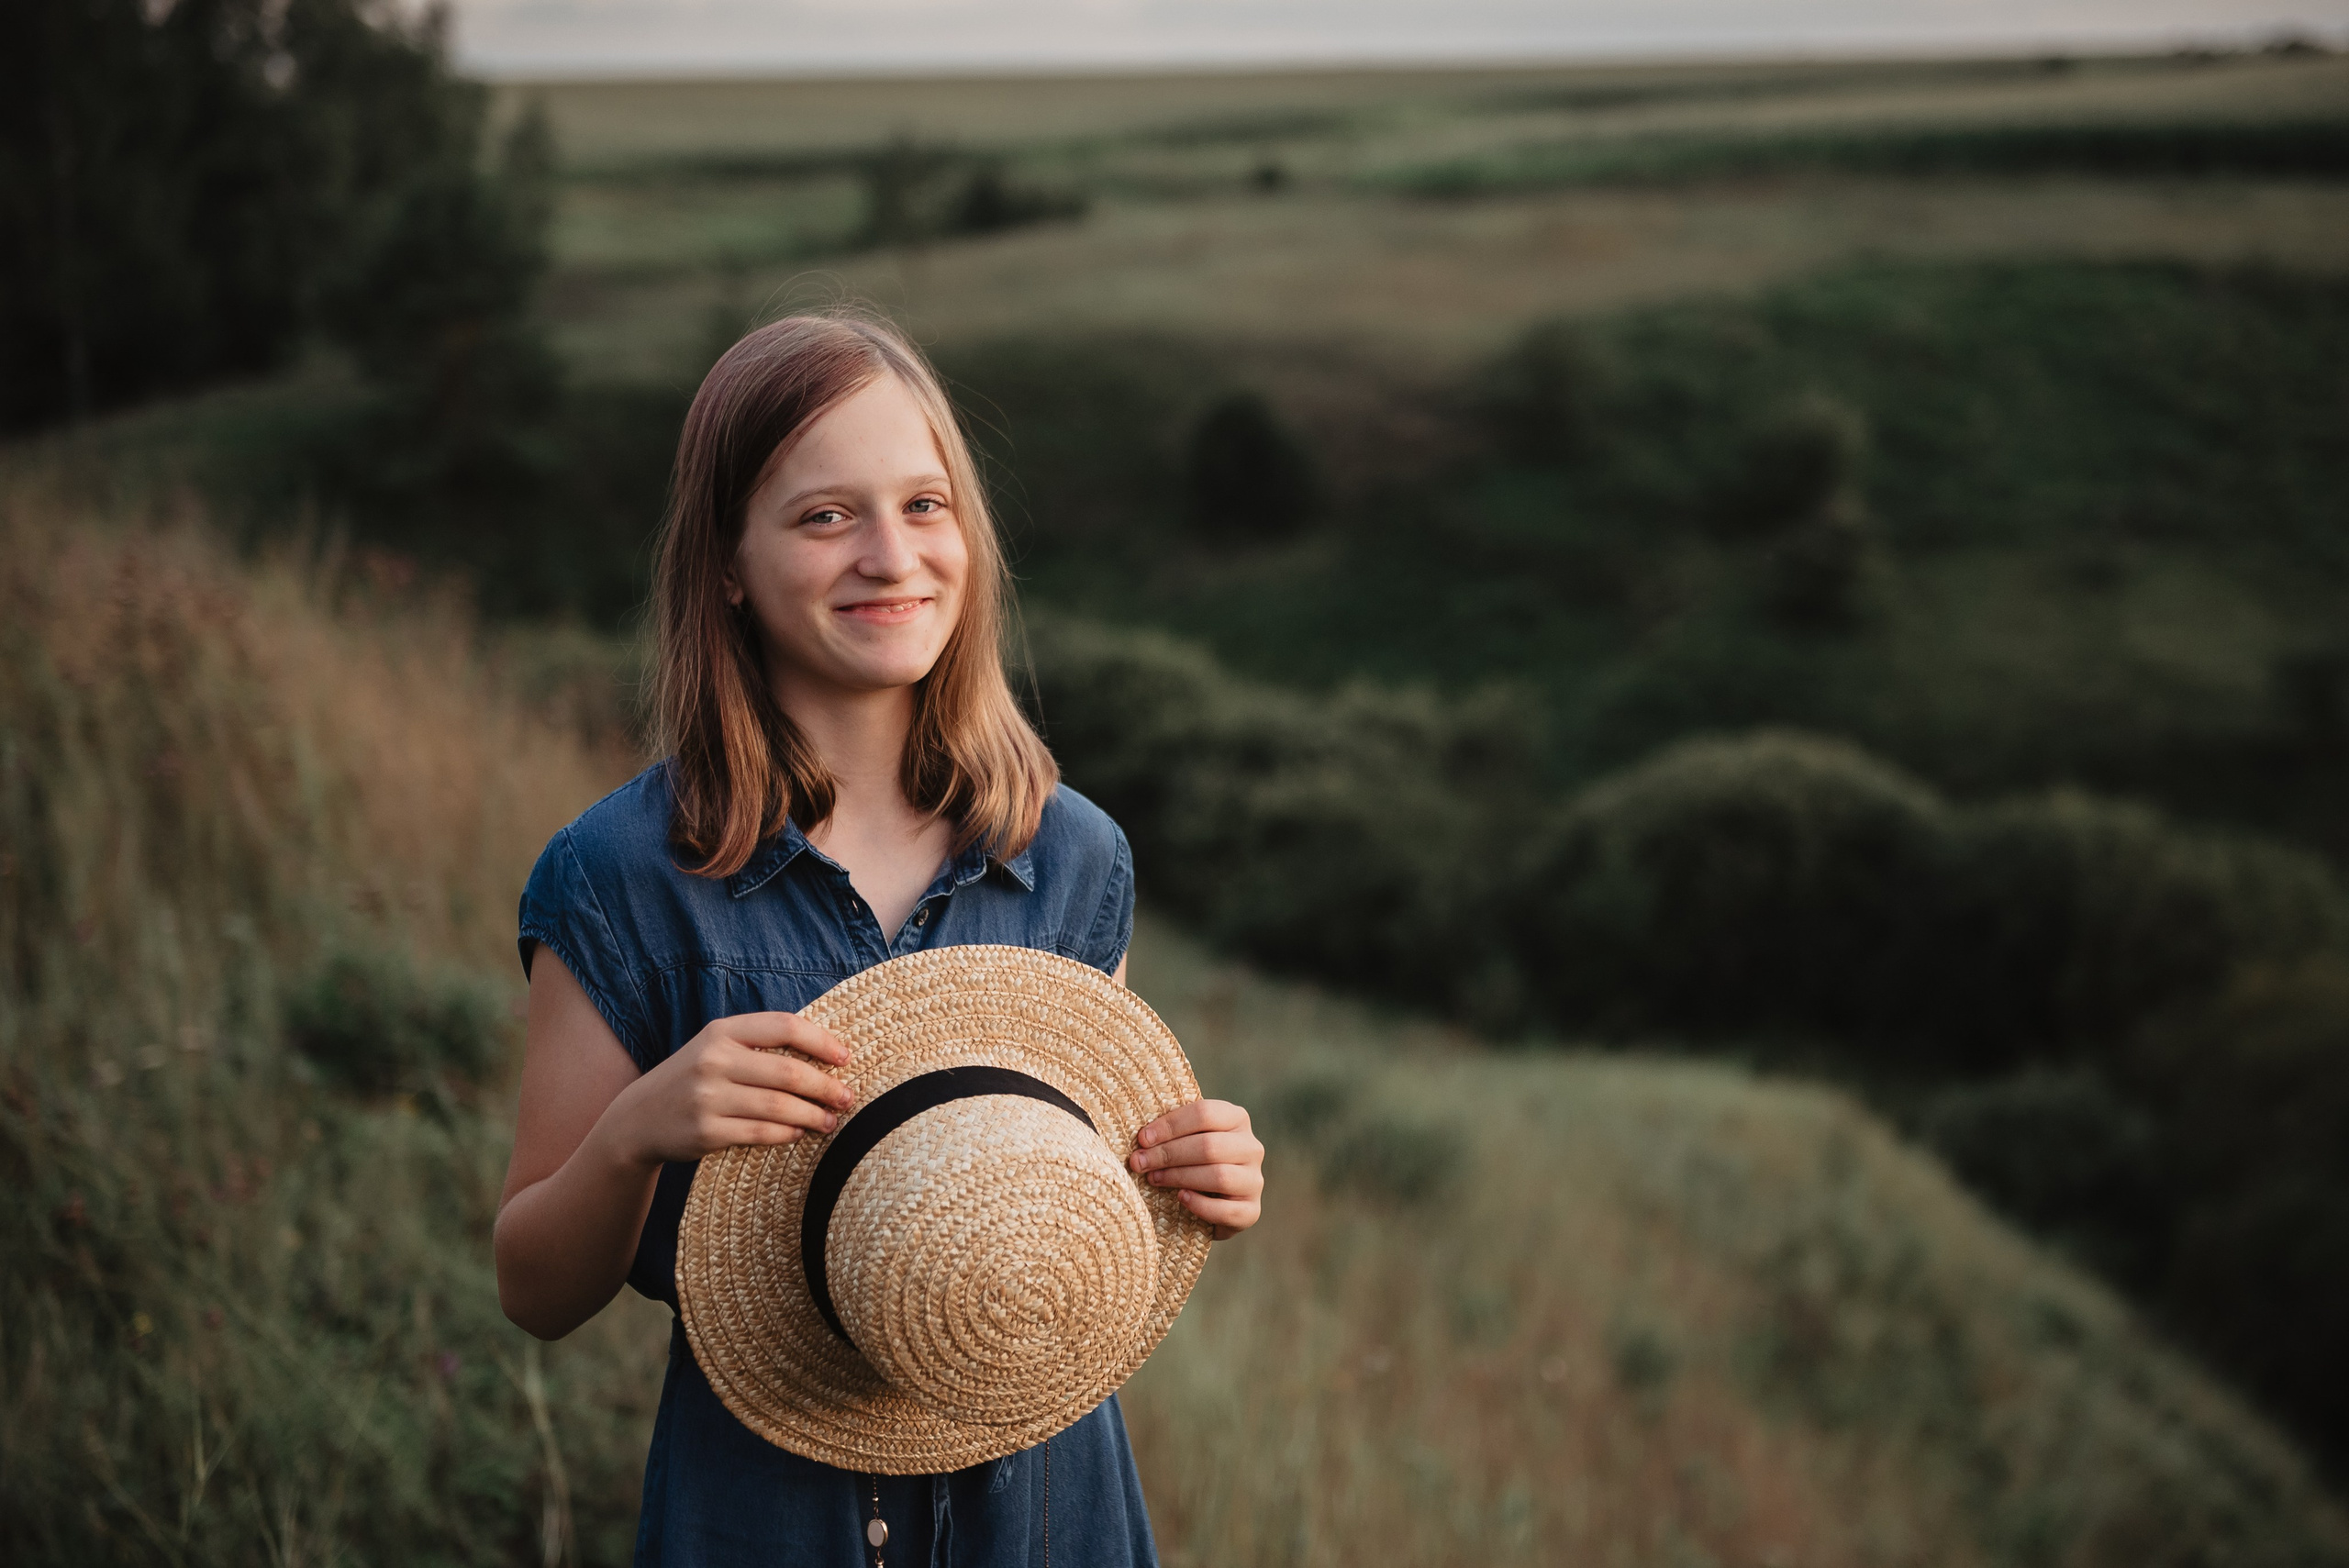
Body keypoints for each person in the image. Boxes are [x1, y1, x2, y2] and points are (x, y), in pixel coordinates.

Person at [492, 312, 1265, 1568]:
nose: (890, 556)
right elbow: (534, 1290)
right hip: (768, 1520)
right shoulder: (624, 877)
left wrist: (1192, 1182)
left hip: (1047, 1513)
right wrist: (636, 1131)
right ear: (727, 562)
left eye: (924, 504)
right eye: (824, 516)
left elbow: (1065, 1214)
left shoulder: (1069, 855)